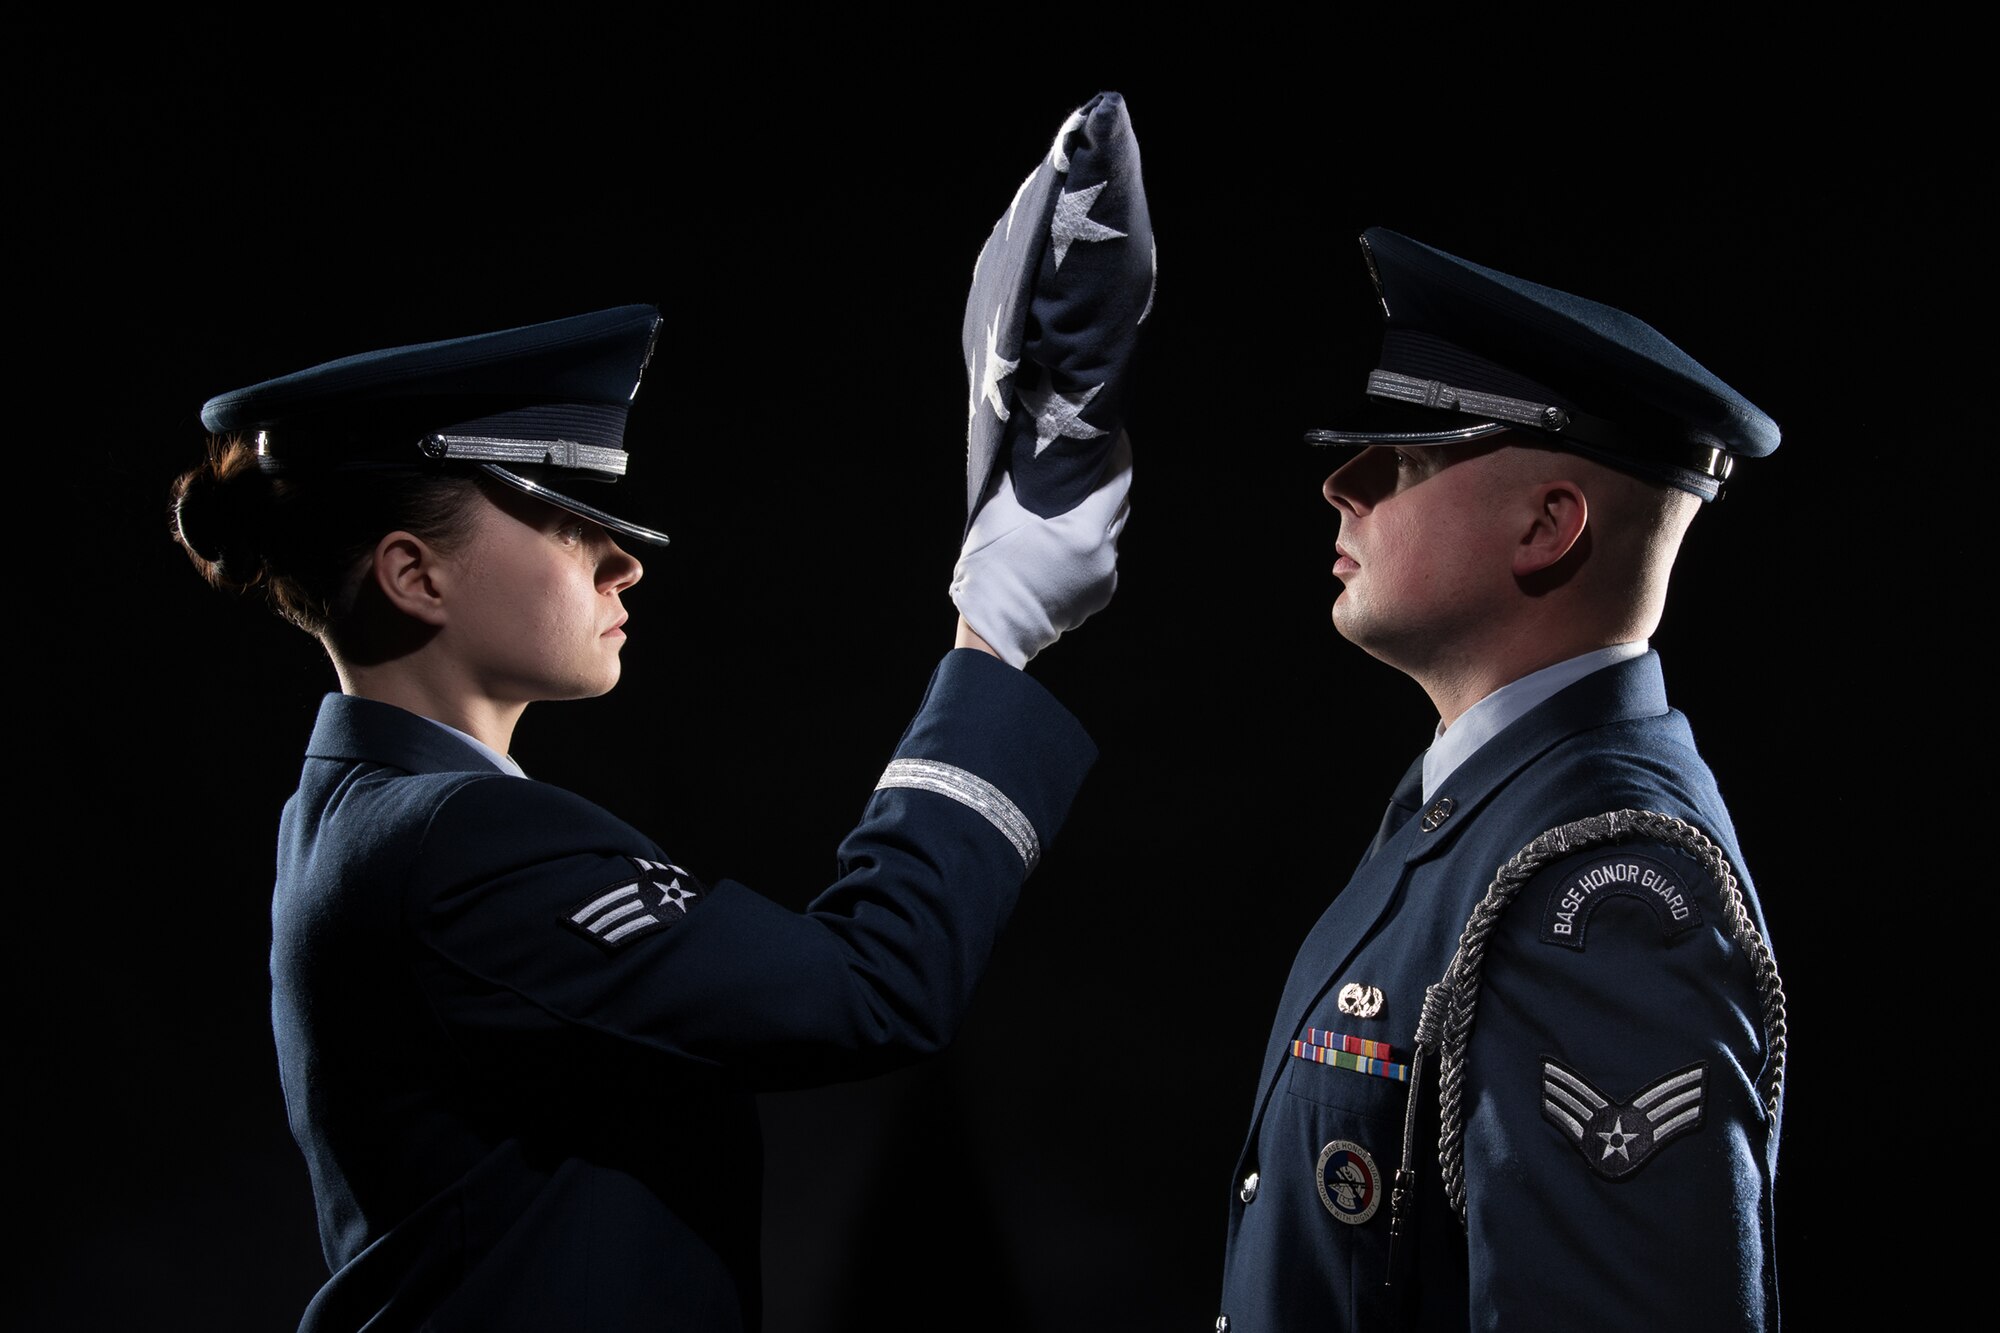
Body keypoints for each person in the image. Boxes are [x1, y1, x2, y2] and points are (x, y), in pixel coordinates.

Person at [169, 295, 1131, 1332]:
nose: (621, 559)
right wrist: (994, 639)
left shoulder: (351, 811)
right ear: (415, 573)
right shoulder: (459, 840)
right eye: (558, 517)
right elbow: (869, 990)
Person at [1215, 229, 1788, 1331]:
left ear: (1545, 524)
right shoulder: (1487, 795)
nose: (1339, 483)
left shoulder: (1609, 886)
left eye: (1406, 454)